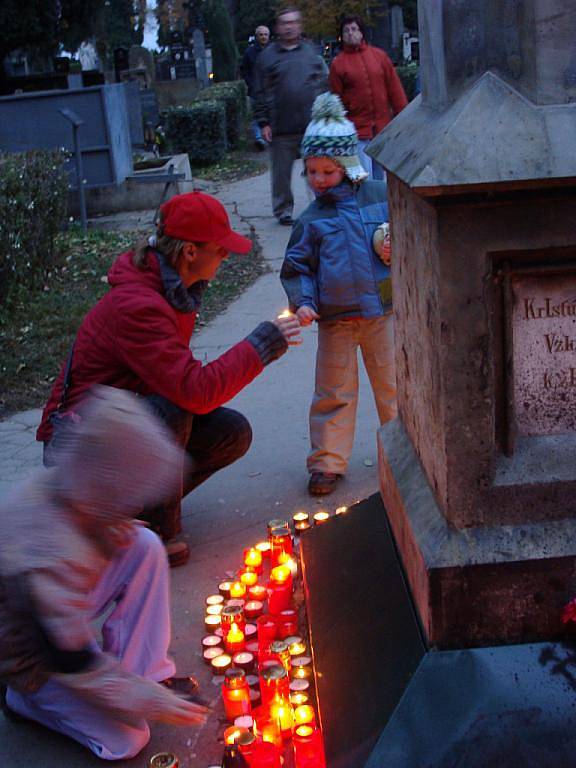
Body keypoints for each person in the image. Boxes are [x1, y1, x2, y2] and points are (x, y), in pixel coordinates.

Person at [36, 191, 301, 566]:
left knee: (231, 433)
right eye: (220, 249)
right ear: (190, 252)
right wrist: (263, 343)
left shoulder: (173, 291)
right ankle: (150, 533)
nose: (226, 256)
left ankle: (128, 515)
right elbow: (195, 390)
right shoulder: (138, 305)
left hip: (118, 424)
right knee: (174, 408)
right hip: (77, 445)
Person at [0, 387, 210, 760]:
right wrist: (140, 700)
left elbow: (85, 523)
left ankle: (147, 669)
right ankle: (24, 702)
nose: (135, 501)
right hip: (31, 655)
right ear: (107, 488)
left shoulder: (74, 490)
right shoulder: (50, 556)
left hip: (52, 617)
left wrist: (108, 524)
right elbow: (77, 665)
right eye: (129, 494)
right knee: (128, 740)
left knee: (142, 543)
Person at [280, 93, 397, 496]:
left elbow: (409, 231)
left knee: (394, 384)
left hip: (383, 313)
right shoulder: (312, 220)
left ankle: (406, 452)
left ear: (348, 166)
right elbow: (298, 267)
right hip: (336, 320)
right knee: (333, 390)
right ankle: (327, 461)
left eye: (327, 171)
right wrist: (305, 301)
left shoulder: (382, 198)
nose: (318, 180)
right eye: (311, 171)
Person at [253, 7, 327, 225]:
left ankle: (320, 204)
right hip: (280, 126)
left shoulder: (310, 52)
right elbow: (259, 91)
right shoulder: (267, 57)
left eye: (293, 22)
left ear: (299, 25)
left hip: (310, 125)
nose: (289, 26)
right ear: (278, 27)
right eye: (284, 23)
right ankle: (283, 210)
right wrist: (263, 122)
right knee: (281, 174)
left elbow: (322, 82)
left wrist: (324, 114)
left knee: (317, 169)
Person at [329, 15, 408, 179]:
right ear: (342, 36)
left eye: (354, 29)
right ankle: (367, 205)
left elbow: (395, 90)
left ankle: (383, 206)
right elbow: (335, 101)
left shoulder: (379, 56)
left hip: (382, 129)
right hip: (356, 131)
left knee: (383, 180)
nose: (351, 33)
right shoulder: (338, 64)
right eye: (346, 30)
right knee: (364, 180)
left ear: (362, 32)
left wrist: (404, 118)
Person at [240, 24, 270, 151]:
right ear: (256, 36)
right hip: (256, 89)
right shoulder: (250, 52)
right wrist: (251, 83)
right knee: (257, 114)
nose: (263, 37)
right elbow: (244, 70)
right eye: (261, 34)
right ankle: (259, 139)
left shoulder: (273, 50)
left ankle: (270, 137)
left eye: (265, 34)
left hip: (271, 88)